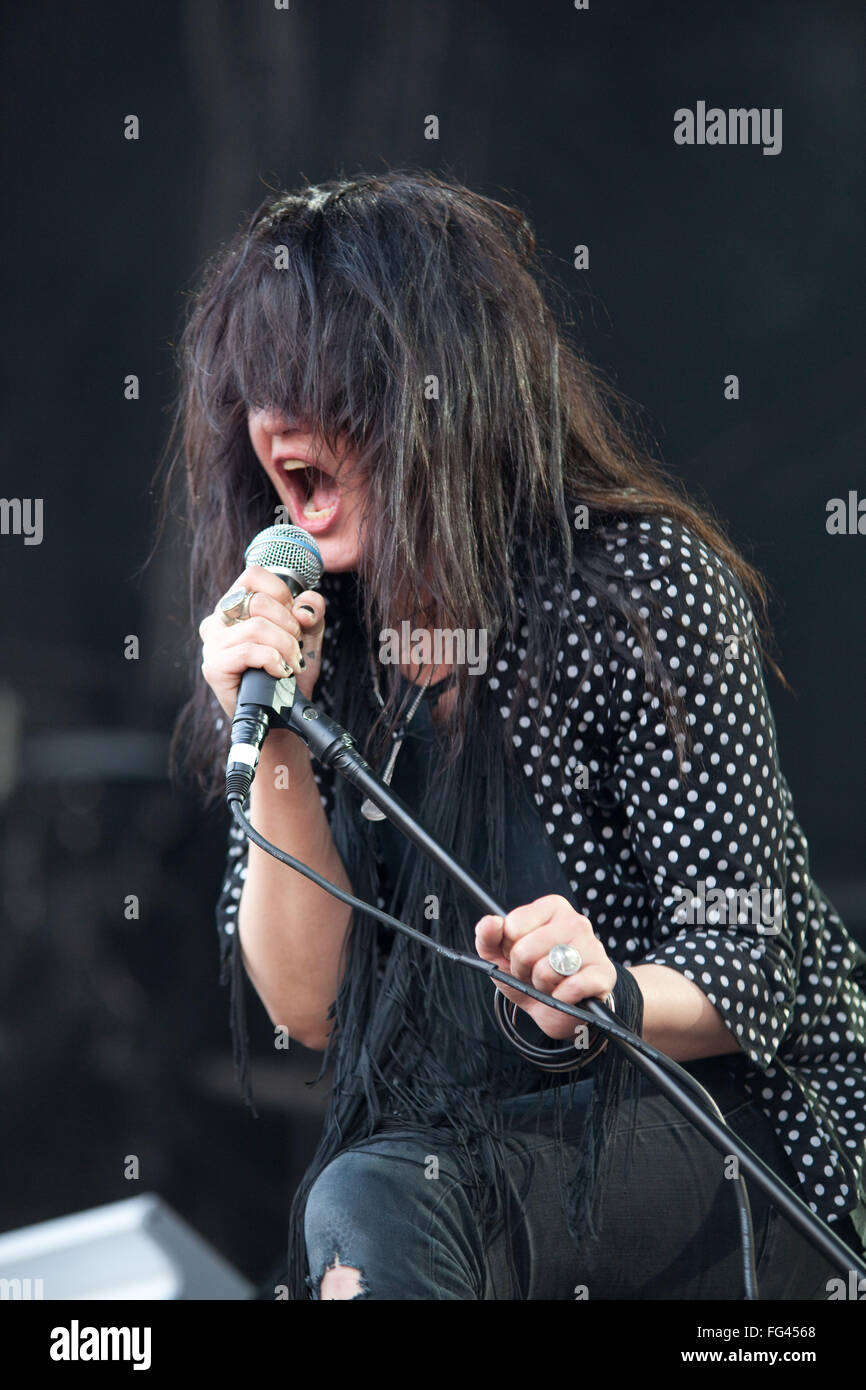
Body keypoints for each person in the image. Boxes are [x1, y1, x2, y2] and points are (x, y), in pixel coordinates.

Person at [170, 170, 866, 1299]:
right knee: (368, 1202)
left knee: (379, 1202)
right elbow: (309, 1007)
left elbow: (756, 974)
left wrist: (607, 992)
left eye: (326, 385)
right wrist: (282, 739)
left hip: (724, 1128)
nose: (278, 419)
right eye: (258, 385)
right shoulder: (309, 640)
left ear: (442, 396)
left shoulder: (635, 590)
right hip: (460, 1153)